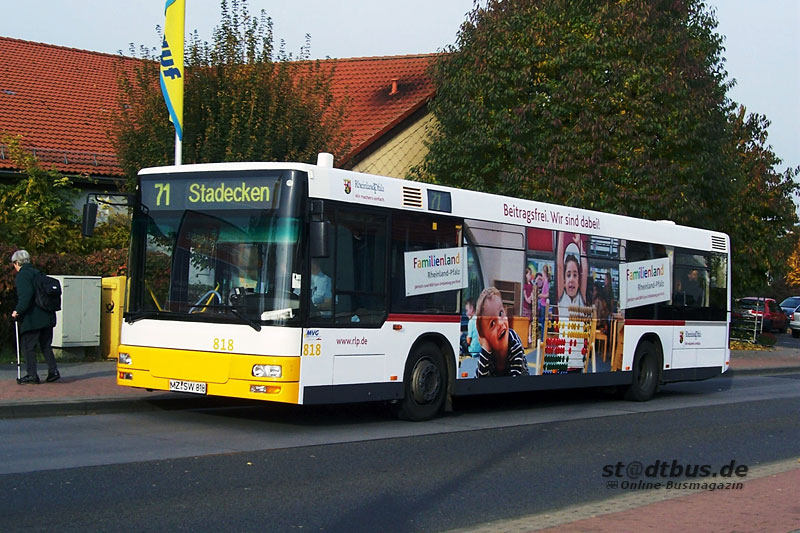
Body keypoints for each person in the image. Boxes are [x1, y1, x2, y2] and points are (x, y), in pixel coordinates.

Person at [10, 250, 59, 384]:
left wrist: (17, 311)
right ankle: (53, 371)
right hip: (48, 315)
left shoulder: (23, 275)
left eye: (14, 263)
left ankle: (32, 375)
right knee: (46, 345)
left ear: (17, 262)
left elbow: (26, 296)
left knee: (28, 346)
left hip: (33, 318)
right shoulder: (38, 273)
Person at [475, 287, 529, 377]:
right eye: (492, 323)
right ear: (485, 337)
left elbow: (515, 380)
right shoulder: (487, 349)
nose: (500, 323)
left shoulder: (514, 344)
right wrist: (486, 349)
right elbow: (479, 379)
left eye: (500, 313)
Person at [556, 233, 588, 318]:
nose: (571, 279)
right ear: (564, 282)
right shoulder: (562, 297)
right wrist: (561, 232)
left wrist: (580, 244)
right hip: (563, 327)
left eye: (575, 275)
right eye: (568, 275)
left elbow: (585, 269)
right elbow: (559, 266)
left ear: (579, 283)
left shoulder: (581, 298)